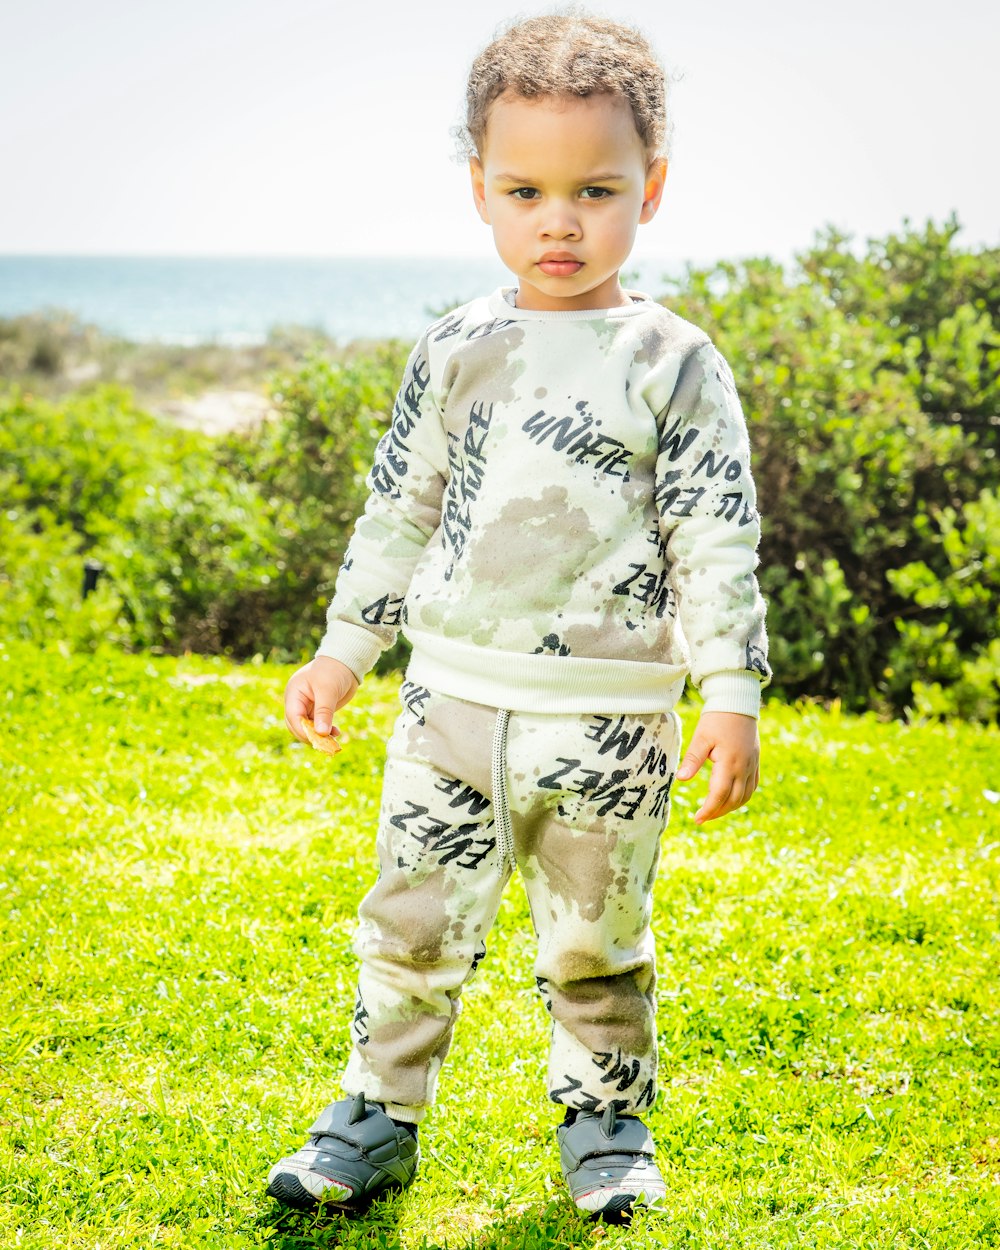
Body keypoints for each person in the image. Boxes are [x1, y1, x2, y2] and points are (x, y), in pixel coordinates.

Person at [267, 11, 769, 1223]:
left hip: (610, 720)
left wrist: (732, 692)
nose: (559, 219)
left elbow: (714, 533)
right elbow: (398, 507)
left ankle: (605, 1121)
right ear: (480, 193)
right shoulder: (456, 347)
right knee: (409, 922)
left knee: (597, 938)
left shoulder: (672, 359)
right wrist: (346, 649)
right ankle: (373, 1116)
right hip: (448, 701)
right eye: (526, 188)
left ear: (649, 189)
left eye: (594, 189)